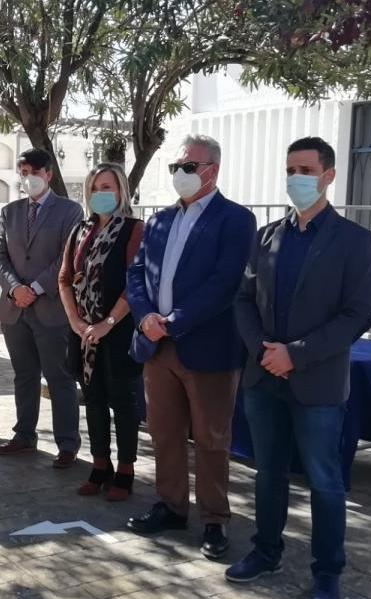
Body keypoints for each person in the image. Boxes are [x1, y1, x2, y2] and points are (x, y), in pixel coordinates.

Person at [227, 137, 371, 599]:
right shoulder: (268, 236)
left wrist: (297, 354)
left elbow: (357, 315)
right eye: (291, 168)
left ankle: (327, 572)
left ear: (329, 175)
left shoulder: (355, 241)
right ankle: (266, 551)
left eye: (307, 169)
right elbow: (244, 301)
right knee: (267, 471)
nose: (297, 178)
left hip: (317, 381)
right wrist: (264, 352)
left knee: (324, 481)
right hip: (264, 377)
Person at [124, 135, 255, 560]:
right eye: (175, 167)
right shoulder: (160, 221)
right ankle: (172, 505)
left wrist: (173, 323)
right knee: (164, 433)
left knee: (212, 439)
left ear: (211, 170)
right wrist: (145, 318)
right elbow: (138, 272)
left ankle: (214, 520)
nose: (179, 174)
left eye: (187, 166)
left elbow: (224, 283)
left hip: (208, 349)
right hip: (157, 348)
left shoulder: (235, 220)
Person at [58, 164, 144, 500]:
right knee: (92, 400)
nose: (100, 194)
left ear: (121, 191)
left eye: (107, 187)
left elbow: (136, 281)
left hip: (118, 330)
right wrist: (77, 323)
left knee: (122, 400)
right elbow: (65, 279)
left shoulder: (135, 230)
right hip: (85, 336)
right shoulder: (80, 230)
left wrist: (108, 322)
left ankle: (125, 469)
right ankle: (99, 464)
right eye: (95, 188)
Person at [0, 148, 84, 467]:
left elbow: (66, 256)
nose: (27, 178)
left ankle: (68, 443)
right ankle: (24, 435)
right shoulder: (11, 211)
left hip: (51, 308)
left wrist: (35, 288)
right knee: (24, 375)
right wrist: (16, 287)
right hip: (15, 309)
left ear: (48, 173)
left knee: (59, 378)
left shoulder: (70, 211)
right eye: (22, 172)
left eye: (32, 171)